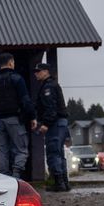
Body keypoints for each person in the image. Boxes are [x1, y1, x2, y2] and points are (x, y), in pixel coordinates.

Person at [0, 52, 36, 178]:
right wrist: (32, 116)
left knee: (2, 151)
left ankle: (4, 178)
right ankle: (16, 176)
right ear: (11, 62)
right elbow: (25, 100)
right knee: (21, 149)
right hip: (14, 119)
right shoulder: (17, 78)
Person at [34, 62, 70, 192]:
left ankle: (58, 183)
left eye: (38, 71)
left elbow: (51, 108)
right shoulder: (52, 85)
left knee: (53, 152)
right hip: (60, 122)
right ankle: (64, 182)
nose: (36, 73)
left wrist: (45, 124)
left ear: (46, 72)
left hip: (55, 123)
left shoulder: (48, 87)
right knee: (59, 153)